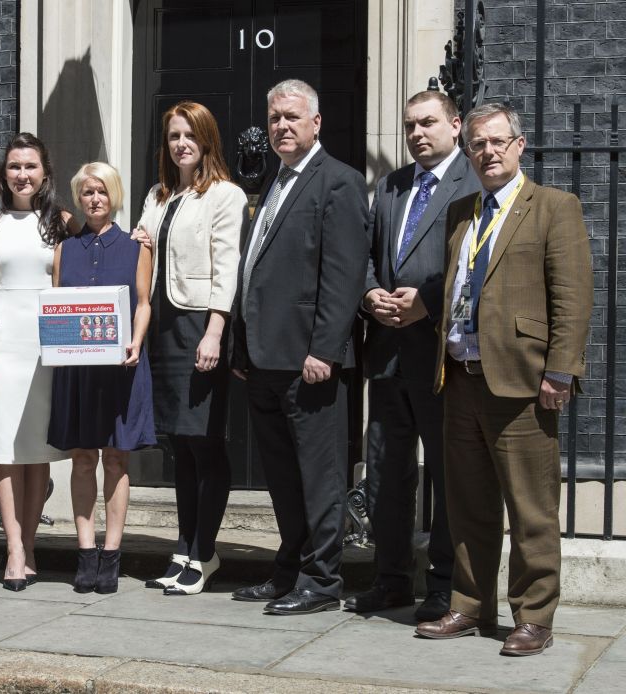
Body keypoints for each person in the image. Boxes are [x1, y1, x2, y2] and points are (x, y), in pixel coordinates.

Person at [415, 103, 592, 655]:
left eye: (497, 141)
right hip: (461, 377)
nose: (487, 151)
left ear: (519, 145)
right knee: (467, 504)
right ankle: (469, 605)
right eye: (477, 144)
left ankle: (534, 616)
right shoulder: (462, 212)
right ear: (467, 152)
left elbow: (572, 296)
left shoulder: (554, 208)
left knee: (531, 507)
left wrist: (560, 371)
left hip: (523, 381)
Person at [230, 79, 369, 615]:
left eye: (291, 117)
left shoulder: (339, 182)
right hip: (264, 360)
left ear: (316, 123)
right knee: (283, 479)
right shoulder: (275, 182)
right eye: (274, 119)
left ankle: (323, 582)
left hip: (309, 362)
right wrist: (244, 347)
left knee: (319, 477)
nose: (281, 126)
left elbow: (342, 273)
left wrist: (326, 351)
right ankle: (289, 570)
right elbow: (258, 271)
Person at [344, 91, 480, 622]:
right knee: (385, 471)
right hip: (387, 355)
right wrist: (368, 292)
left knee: (446, 476)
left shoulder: (473, 182)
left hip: (440, 355)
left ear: (455, 125)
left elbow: (475, 262)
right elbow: (367, 255)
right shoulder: (392, 185)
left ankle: (443, 586)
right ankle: (391, 578)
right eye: (409, 126)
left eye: (428, 123)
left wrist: (428, 302)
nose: (418, 133)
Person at [134, 101, 247, 595]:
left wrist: (215, 332)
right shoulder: (157, 196)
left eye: (190, 136)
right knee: (180, 444)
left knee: (204, 441)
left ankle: (205, 551)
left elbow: (228, 267)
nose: (181, 144)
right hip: (161, 325)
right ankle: (182, 547)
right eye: (174, 135)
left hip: (198, 323)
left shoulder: (226, 195)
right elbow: (143, 250)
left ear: (206, 141)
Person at [0, 133, 72, 591]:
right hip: (1, 336)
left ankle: (31, 545)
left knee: (38, 451)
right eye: (14, 166)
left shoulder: (62, 223)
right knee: (7, 451)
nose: (22, 175)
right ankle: (12, 548)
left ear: (45, 172)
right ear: (3, 173)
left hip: (47, 339)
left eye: (30, 166)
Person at [47, 162, 155, 594]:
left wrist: (137, 340)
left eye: (102, 192)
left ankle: (112, 554)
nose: (95, 199)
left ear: (115, 196)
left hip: (121, 367)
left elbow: (143, 302)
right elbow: (55, 306)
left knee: (115, 457)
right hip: (77, 368)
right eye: (87, 192)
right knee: (82, 457)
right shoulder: (64, 248)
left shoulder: (136, 247)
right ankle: (85, 552)